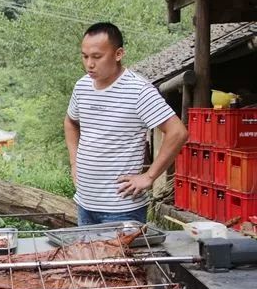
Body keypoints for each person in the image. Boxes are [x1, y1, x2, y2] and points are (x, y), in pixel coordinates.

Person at [64, 22, 187, 225]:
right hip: (85, 204)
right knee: (88, 248)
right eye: (85, 56)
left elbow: (177, 132)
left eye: (97, 57)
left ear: (118, 54)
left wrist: (149, 176)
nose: (89, 64)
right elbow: (70, 122)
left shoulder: (138, 90)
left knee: (121, 249)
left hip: (122, 208)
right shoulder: (82, 86)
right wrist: (74, 162)